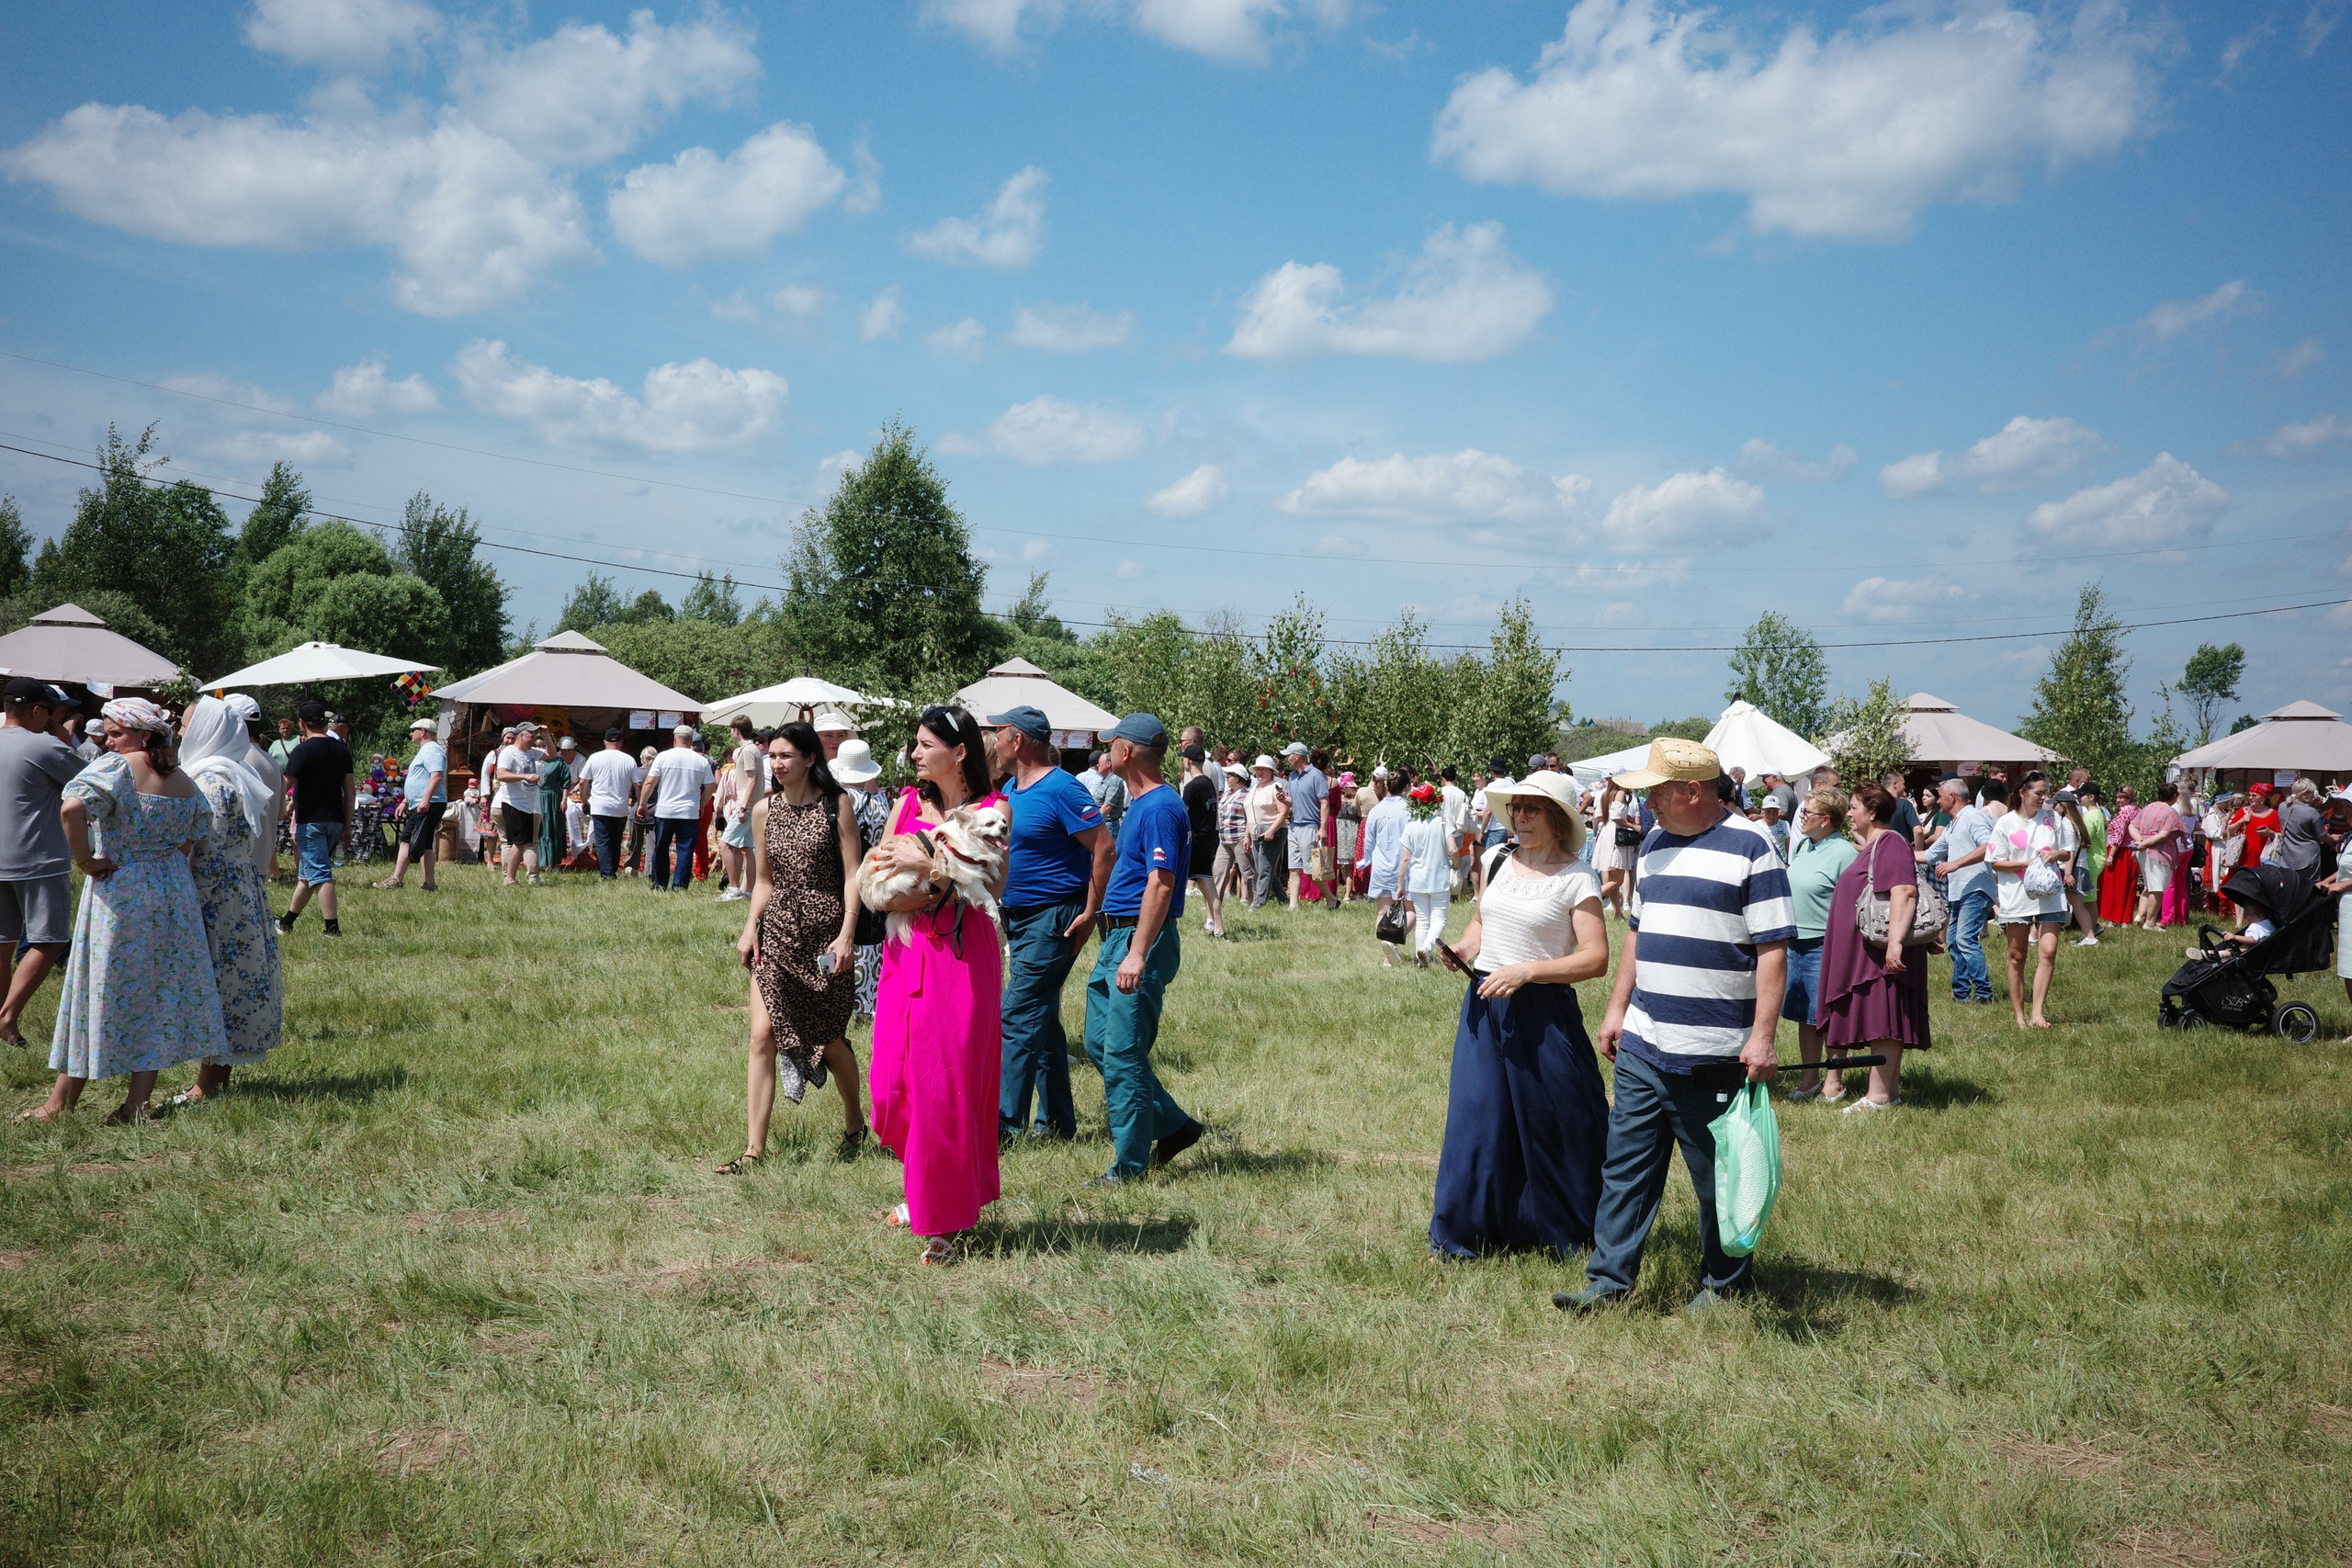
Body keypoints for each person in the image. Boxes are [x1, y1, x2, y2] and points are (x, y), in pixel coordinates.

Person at [1559, 739, 1793, 1314]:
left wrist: (1762, 1038)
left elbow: (1773, 951)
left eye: (1657, 793)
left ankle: (1723, 1286)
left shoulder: (1754, 847)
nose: (1648, 804)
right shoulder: (1657, 842)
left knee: (1718, 1173)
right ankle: (1609, 1283)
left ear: (1692, 791)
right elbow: (1638, 934)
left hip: (1713, 1050)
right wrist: (1617, 1010)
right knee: (1625, 1168)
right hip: (1645, 1041)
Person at [19, 700, 226, 1124]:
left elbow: (71, 806)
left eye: (116, 733)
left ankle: (60, 1103)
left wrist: (85, 861)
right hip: (173, 894)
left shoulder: (116, 768)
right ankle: (136, 1105)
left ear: (144, 734)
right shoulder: (183, 778)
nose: (108, 740)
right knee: (156, 992)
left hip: (123, 890)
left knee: (95, 987)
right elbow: (196, 832)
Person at [1429, 768, 1608, 1258]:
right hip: (1485, 1006)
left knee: (1552, 1122)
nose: (1519, 817)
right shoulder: (1501, 860)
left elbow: (1596, 958)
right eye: (1516, 808)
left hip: (1543, 1012)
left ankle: (1563, 1232)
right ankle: (1464, 1236)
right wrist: (1464, 948)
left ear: (1556, 819)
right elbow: (1482, 922)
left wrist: (1529, 971)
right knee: (1478, 1119)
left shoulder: (1578, 877)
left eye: (1531, 809)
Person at [864, 705, 1007, 1262]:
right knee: (890, 1082)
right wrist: (923, 878)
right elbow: (876, 876)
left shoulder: (995, 810)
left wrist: (925, 859)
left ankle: (941, 1220)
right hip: (907, 951)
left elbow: (993, 885)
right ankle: (925, 1185)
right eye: (916, 744)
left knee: (941, 1087)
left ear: (960, 752)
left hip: (962, 958)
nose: (915, 753)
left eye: (926, 744)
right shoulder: (904, 803)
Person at [724, 722, 865, 1172]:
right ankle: (754, 1150)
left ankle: (855, 1122)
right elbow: (763, 879)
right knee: (762, 1036)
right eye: (773, 757)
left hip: (826, 937)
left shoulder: (836, 804)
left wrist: (847, 935)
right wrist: (751, 927)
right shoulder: (765, 810)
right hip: (778, 932)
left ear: (810, 759)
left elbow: (852, 876)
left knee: (828, 1040)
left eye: (786, 756)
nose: (778, 764)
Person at [1080, 714, 1204, 1184]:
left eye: (1110, 745)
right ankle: (1174, 1125)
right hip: (1118, 937)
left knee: (1123, 1054)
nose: (1106, 752)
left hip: (1138, 939)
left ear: (1125, 753)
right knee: (1099, 1042)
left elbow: (1161, 884)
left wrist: (1136, 952)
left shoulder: (1158, 808)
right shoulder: (1144, 804)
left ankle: (1128, 1167)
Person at [988, 704, 1111, 1143]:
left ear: (1017, 740)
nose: (995, 741)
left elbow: (1104, 848)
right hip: (1018, 919)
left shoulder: (1064, 789)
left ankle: (1004, 1125)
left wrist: (1090, 910)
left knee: (1016, 1016)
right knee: (1041, 1018)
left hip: (1054, 916)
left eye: (999, 733)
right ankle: (1057, 1123)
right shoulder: (1012, 791)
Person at [171, 697, 284, 1107]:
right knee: (228, 981)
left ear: (207, 730)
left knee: (219, 982)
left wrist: (186, 901)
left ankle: (209, 1084)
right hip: (239, 891)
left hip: (220, 897)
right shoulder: (230, 772)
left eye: (186, 725)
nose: (181, 733)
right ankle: (213, 1079)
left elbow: (210, 853)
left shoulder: (213, 782)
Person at [1812, 784, 1932, 1111]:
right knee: (1883, 1014)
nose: (1848, 814)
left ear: (1872, 811)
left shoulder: (1891, 842)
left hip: (1880, 952)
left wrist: (1894, 943)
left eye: (1853, 807)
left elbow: (1904, 891)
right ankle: (1888, 1095)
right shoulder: (1874, 845)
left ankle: (1878, 1096)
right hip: (1869, 951)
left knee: (1884, 1016)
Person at [0, 679, 85, 1050]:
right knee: (49, 940)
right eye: (51, 712)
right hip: (38, 859)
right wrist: (60, 736)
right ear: (38, 711)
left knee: (2, 943)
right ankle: (6, 1017)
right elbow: (92, 782)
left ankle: (3, 1018)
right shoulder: (45, 745)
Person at [1779, 785, 1860, 1103]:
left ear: (1826, 819)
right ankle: (1809, 1078)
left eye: (1807, 813)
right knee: (1804, 1015)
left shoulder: (1844, 854)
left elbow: (1854, 903)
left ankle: (1834, 1081)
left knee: (1829, 1015)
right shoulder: (1804, 848)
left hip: (1825, 945)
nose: (1802, 817)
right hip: (1795, 943)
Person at [1989, 773, 2066, 1030]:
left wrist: (2056, 853)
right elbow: (1995, 862)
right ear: (2022, 793)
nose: (2044, 798)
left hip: (2050, 895)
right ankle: (2020, 1017)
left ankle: (2038, 1013)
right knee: (2016, 956)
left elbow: (2068, 850)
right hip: (2017, 896)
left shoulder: (2052, 819)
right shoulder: (2005, 823)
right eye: (2039, 793)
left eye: (2045, 793)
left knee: (2048, 950)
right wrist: (2025, 862)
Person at [277, 701, 353, 938]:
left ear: (301, 723)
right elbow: (350, 791)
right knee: (307, 875)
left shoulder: (303, 750)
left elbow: (285, 785)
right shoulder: (341, 749)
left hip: (311, 821)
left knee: (320, 874)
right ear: (325, 722)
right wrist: (347, 825)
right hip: (335, 819)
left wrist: (274, 806)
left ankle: (332, 929)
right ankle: (286, 922)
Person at [1922, 776, 2000, 1004]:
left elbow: (1987, 846)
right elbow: (1928, 856)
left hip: (1975, 889)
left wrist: (1955, 864)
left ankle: (1984, 993)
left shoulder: (1973, 816)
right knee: (1955, 943)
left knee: (1965, 939)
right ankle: (1961, 994)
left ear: (1952, 797)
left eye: (1939, 796)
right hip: (1959, 892)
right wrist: (1894, 853)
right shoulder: (1952, 825)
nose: (1937, 801)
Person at [831, 738, 889, 1021]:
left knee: (844, 933)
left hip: (845, 874)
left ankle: (843, 998)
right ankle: (869, 1002)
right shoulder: (881, 801)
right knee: (872, 939)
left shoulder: (838, 801)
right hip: (876, 876)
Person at [639, 725, 715, 892]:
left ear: (674, 739)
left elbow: (650, 782)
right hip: (689, 811)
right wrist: (701, 805)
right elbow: (710, 786)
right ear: (691, 741)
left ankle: (659, 883)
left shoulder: (663, 757)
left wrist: (642, 803)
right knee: (685, 849)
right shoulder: (701, 760)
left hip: (665, 810)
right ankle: (679, 885)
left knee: (661, 847)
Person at [374, 717, 447, 891]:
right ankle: (429, 883)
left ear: (422, 732)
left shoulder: (432, 750)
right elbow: (420, 779)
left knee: (406, 839)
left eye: (413, 730)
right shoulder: (425, 750)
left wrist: (425, 799)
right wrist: (406, 801)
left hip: (430, 803)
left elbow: (436, 776)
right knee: (426, 842)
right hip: (425, 803)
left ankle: (396, 879)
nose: (411, 733)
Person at [1396, 782, 1454, 968]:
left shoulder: (1411, 826)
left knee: (1421, 920)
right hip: (1439, 878)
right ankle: (1427, 948)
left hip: (1417, 879)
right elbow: (1453, 849)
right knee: (1439, 919)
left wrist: (1399, 885)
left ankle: (1422, 958)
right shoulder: (1443, 822)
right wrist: (1457, 866)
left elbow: (1405, 859)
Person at [1363, 764, 1411, 964]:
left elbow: (1369, 841)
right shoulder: (1410, 809)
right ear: (1407, 787)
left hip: (1381, 865)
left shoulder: (1375, 810)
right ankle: (1390, 948)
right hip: (1404, 865)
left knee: (1382, 912)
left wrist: (1366, 861)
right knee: (1411, 911)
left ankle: (1387, 954)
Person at [576, 729, 641, 879]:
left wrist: (585, 800)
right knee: (616, 840)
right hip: (620, 806)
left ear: (605, 742)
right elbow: (638, 784)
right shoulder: (629, 759)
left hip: (599, 806)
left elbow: (582, 782)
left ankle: (607, 873)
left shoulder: (595, 758)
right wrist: (640, 803)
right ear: (621, 743)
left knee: (603, 840)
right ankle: (611, 869)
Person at [490, 721, 545, 887]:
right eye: (531, 737)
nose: (533, 741)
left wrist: (547, 735)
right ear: (522, 735)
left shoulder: (531, 752)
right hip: (513, 803)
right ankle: (509, 878)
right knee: (518, 842)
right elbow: (501, 775)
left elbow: (551, 754)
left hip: (527, 805)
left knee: (521, 843)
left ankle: (511, 877)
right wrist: (525, 776)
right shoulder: (509, 753)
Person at [1179, 743, 1225, 939]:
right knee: (1208, 886)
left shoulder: (1192, 787)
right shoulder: (1208, 785)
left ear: (1187, 761)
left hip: (1193, 842)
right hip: (1208, 841)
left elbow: (1180, 815)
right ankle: (1218, 928)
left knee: (1172, 882)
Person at [718, 715, 765, 900]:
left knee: (725, 844)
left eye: (731, 730)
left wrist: (743, 807)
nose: (731, 733)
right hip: (751, 805)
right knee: (747, 848)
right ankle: (749, 891)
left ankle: (734, 888)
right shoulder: (752, 749)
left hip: (747, 806)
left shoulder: (747, 751)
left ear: (736, 731)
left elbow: (752, 779)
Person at [2129, 782, 2188, 931]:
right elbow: (2164, 835)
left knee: (2148, 886)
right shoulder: (2170, 812)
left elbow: (2132, 825)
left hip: (2143, 852)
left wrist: (2140, 841)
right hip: (2159, 853)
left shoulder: (2149, 807)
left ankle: (2139, 916)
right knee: (2157, 889)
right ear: (2175, 796)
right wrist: (2145, 843)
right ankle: (2150, 922)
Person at [1280, 741, 1329, 910]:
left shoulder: (1316, 775)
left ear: (1298, 756)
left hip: (1310, 827)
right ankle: (1293, 905)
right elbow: (1294, 801)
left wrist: (1322, 828)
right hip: (1294, 826)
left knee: (1311, 870)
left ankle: (1330, 898)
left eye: (1288, 755)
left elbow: (1324, 803)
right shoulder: (1292, 776)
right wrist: (1283, 799)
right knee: (1294, 868)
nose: (1286, 758)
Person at [2052, 789, 2099, 944]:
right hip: (2080, 865)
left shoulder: (2066, 822)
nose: (2053, 808)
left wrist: (2068, 873)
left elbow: (2070, 849)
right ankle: (2089, 935)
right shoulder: (2077, 821)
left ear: (2063, 805)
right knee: (2078, 904)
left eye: (2055, 805)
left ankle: (2089, 937)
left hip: (2071, 867)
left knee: (2077, 905)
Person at [1246, 754, 1288, 908]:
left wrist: (1271, 830)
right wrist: (1247, 836)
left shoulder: (1276, 787)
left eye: (1264, 769)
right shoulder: (1254, 788)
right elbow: (1250, 814)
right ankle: (1284, 901)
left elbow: (1284, 812)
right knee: (1263, 869)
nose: (1260, 772)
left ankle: (1258, 904)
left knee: (1264, 870)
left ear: (1272, 771)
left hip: (1273, 832)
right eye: (1258, 769)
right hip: (1256, 832)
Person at [1592, 777, 1636, 919]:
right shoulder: (1620, 794)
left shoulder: (1605, 795)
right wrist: (1632, 826)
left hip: (1606, 832)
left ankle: (1617, 912)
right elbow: (1617, 817)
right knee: (1617, 879)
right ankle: (1589, 897)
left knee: (1613, 877)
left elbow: (1598, 816)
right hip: (1617, 835)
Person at [2098, 784, 2141, 927]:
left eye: (2122, 797)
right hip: (2132, 850)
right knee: (2129, 885)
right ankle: (2125, 918)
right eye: (2118, 796)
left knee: (2114, 886)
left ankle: (2112, 917)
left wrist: (2111, 855)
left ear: (2129, 798)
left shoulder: (2123, 813)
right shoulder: (2137, 810)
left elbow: (2118, 836)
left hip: (2120, 851)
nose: (2118, 800)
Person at [536, 735, 575, 873]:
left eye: (544, 746)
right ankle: (537, 861)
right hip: (535, 797)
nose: (541, 749)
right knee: (539, 828)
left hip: (553, 798)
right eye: (538, 746)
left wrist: (564, 799)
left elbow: (566, 782)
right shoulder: (531, 760)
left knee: (551, 827)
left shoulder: (558, 761)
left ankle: (552, 862)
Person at [1215, 761, 1252, 906]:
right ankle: (1215, 902)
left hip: (1240, 838)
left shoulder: (1247, 795)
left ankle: (1253, 903)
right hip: (1224, 840)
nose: (1226, 778)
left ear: (1237, 778)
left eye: (1229, 776)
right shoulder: (1227, 794)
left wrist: (1247, 837)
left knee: (1247, 872)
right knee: (1218, 871)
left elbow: (1250, 818)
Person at [1081, 748, 1128, 829]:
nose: (1097, 765)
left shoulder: (1114, 780)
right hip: (1103, 823)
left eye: (1099, 763)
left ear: (1108, 764)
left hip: (1108, 825)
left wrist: (1092, 822)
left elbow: (1107, 806)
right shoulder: (1106, 779)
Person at [1755, 794, 1789, 860]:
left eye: (1775, 812)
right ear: (1762, 810)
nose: (1772, 815)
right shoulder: (1756, 826)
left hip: (1782, 862)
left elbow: (1788, 845)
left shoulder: (1785, 824)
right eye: (1768, 812)